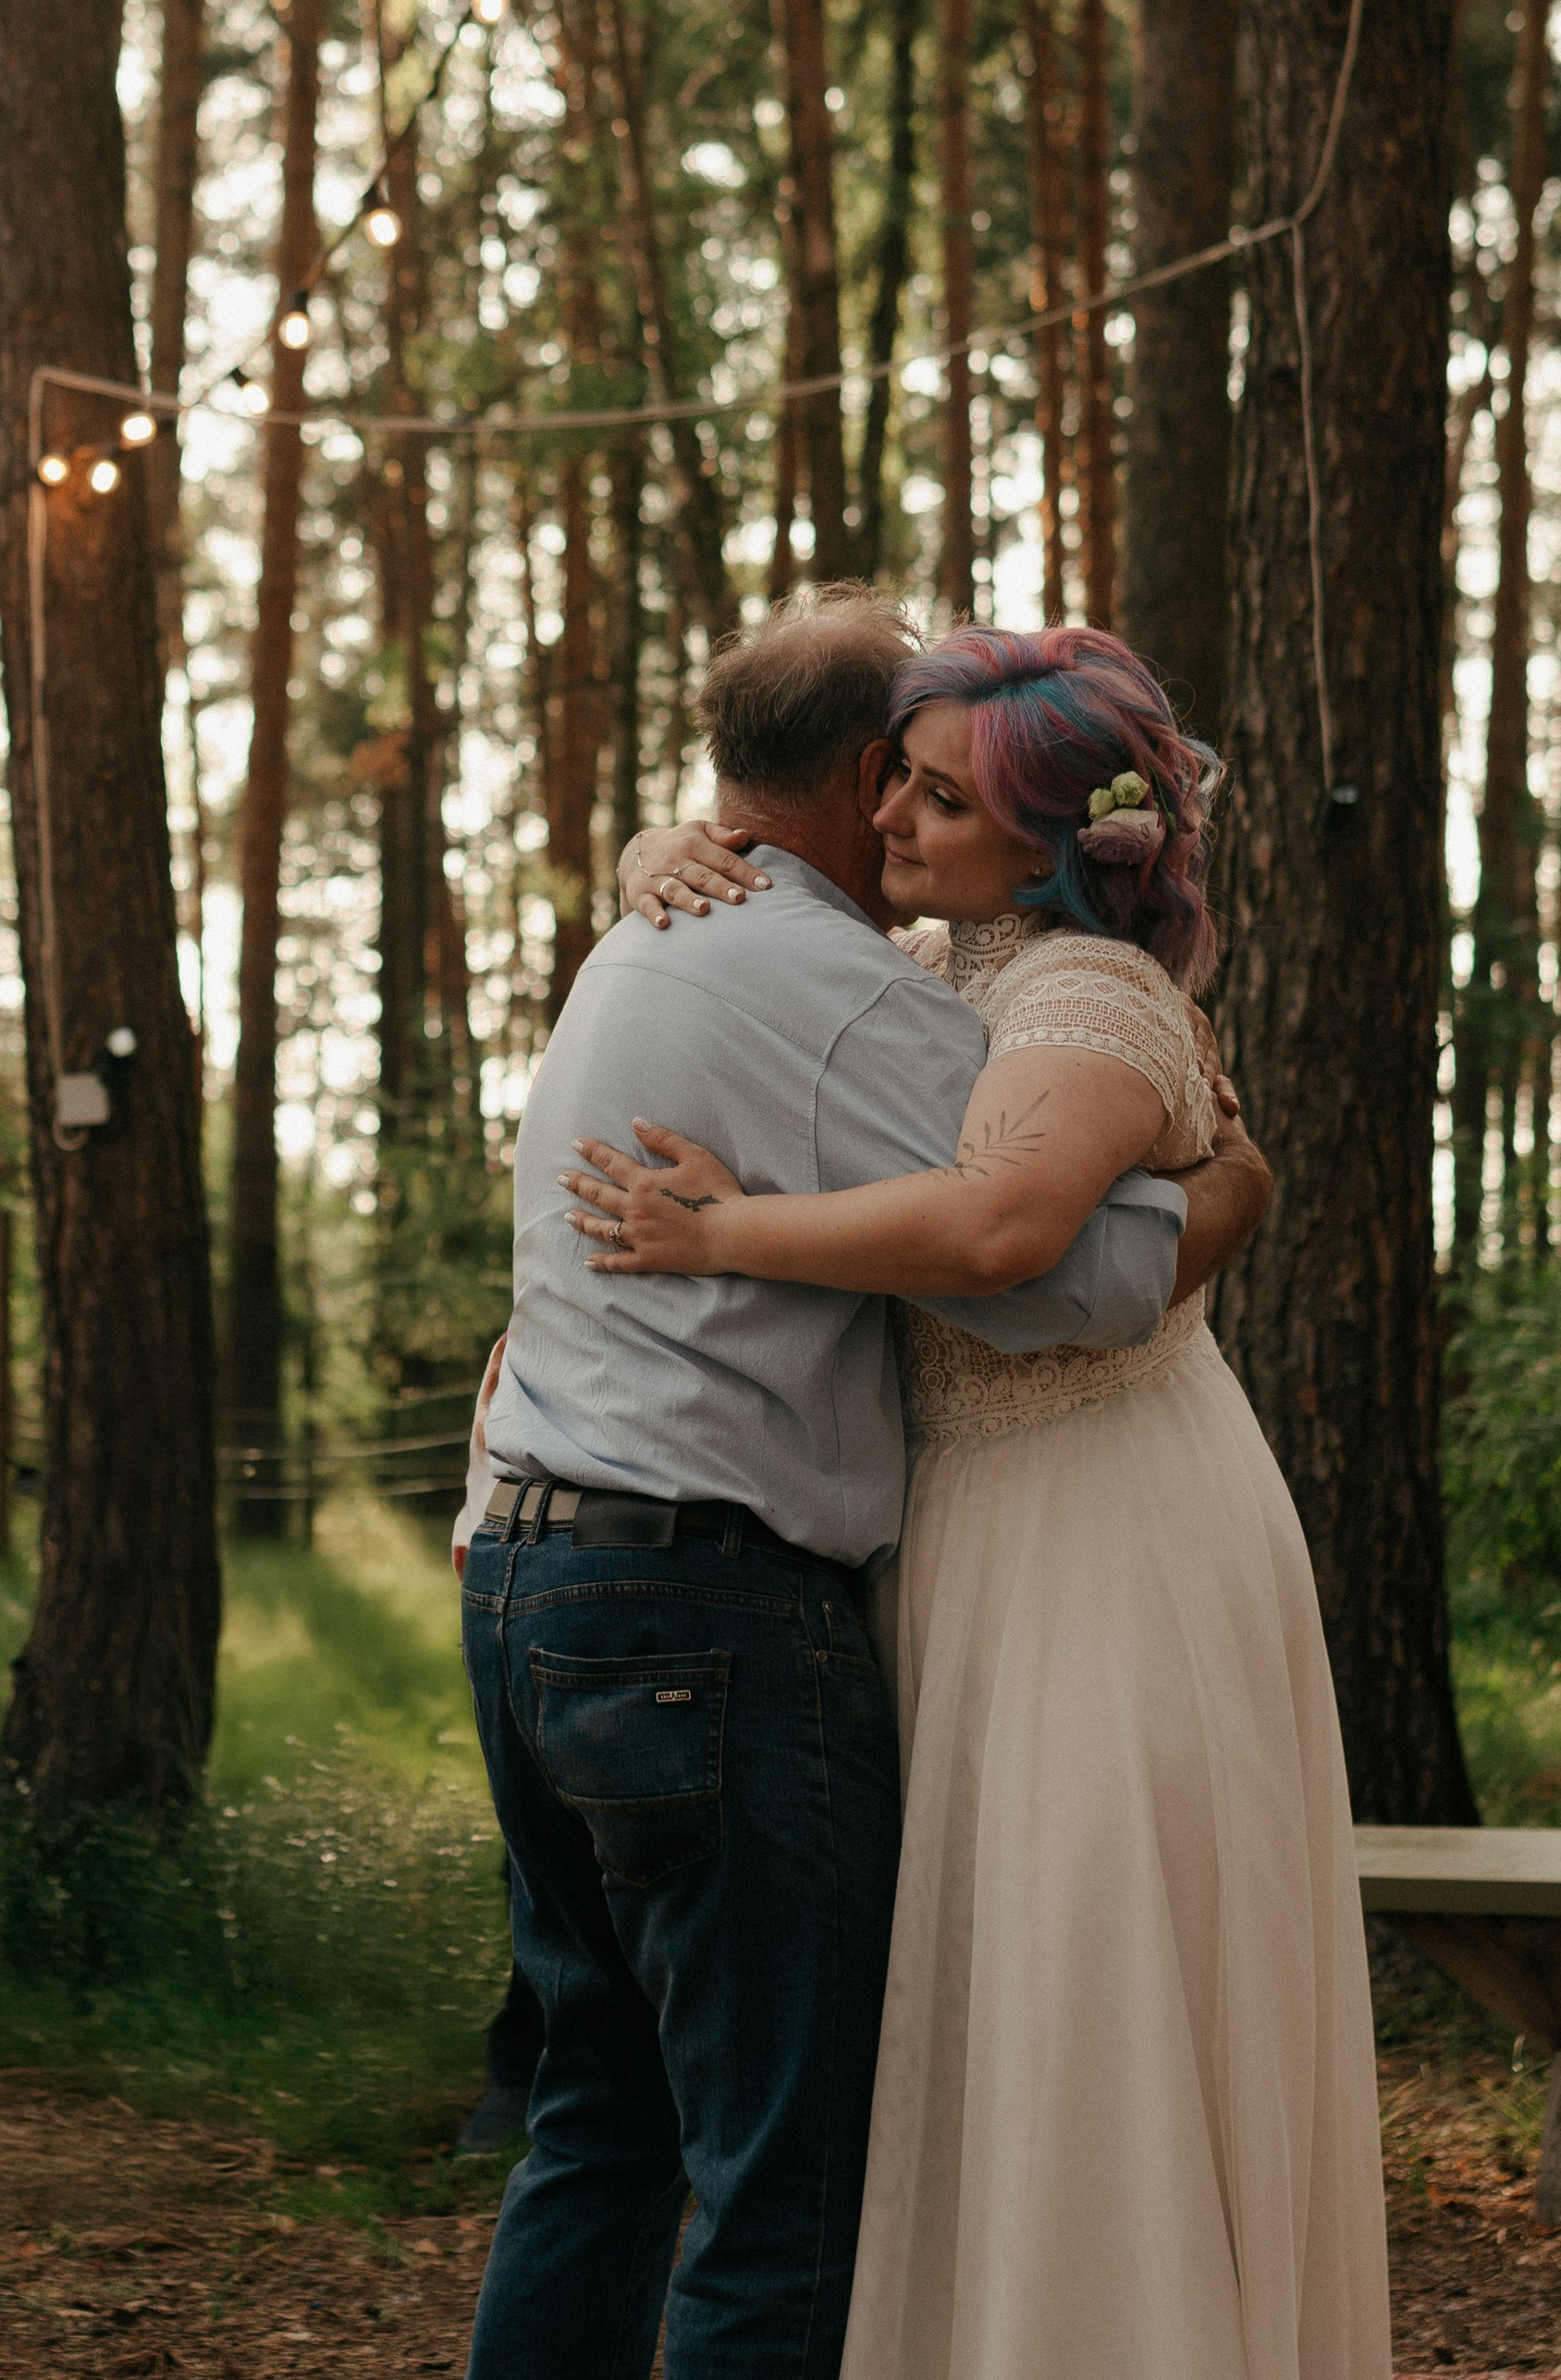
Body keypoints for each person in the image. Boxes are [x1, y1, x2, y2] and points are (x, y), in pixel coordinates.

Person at [460, 592, 1273, 2380]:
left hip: (520, 1580)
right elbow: (1061, 1265)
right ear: (856, 775)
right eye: (901, 779)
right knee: (781, 2181)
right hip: (696, 1614)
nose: (912, 815)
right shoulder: (842, 984)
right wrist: (1232, 1187)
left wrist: (650, 848)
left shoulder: (656, 939)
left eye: (952, 785)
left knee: (604, 2121)